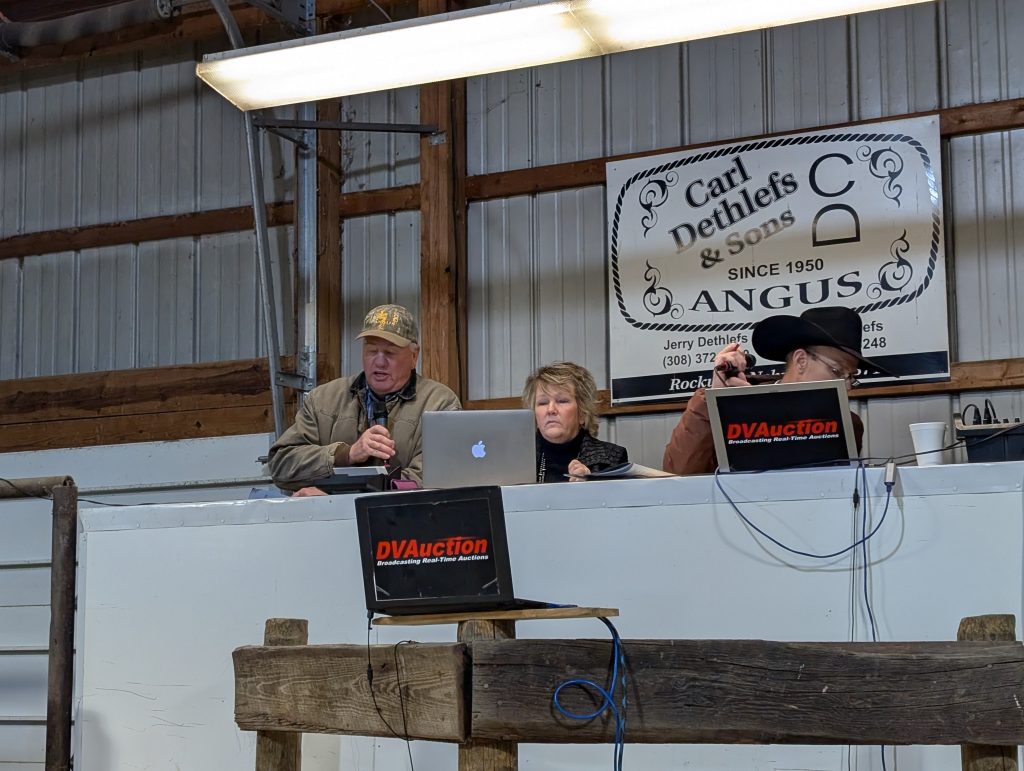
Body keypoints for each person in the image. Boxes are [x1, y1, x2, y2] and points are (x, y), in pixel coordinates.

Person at [663, 306, 892, 475]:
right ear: (801, 360)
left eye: (851, 377)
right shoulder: (730, 404)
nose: (847, 386)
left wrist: (759, 410)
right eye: (837, 371)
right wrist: (714, 398)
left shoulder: (847, 423)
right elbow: (679, 471)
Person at [268, 304, 461, 495]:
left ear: (414, 356)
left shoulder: (439, 404)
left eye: (390, 353)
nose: (379, 361)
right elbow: (281, 465)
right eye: (371, 351)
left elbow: (434, 478)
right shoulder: (323, 399)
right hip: (332, 524)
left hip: (404, 522)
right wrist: (345, 454)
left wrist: (337, 496)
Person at [523, 362, 628, 483]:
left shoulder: (611, 458)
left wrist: (593, 483)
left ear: (582, 412)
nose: (551, 410)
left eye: (562, 401)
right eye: (543, 403)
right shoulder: (518, 459)